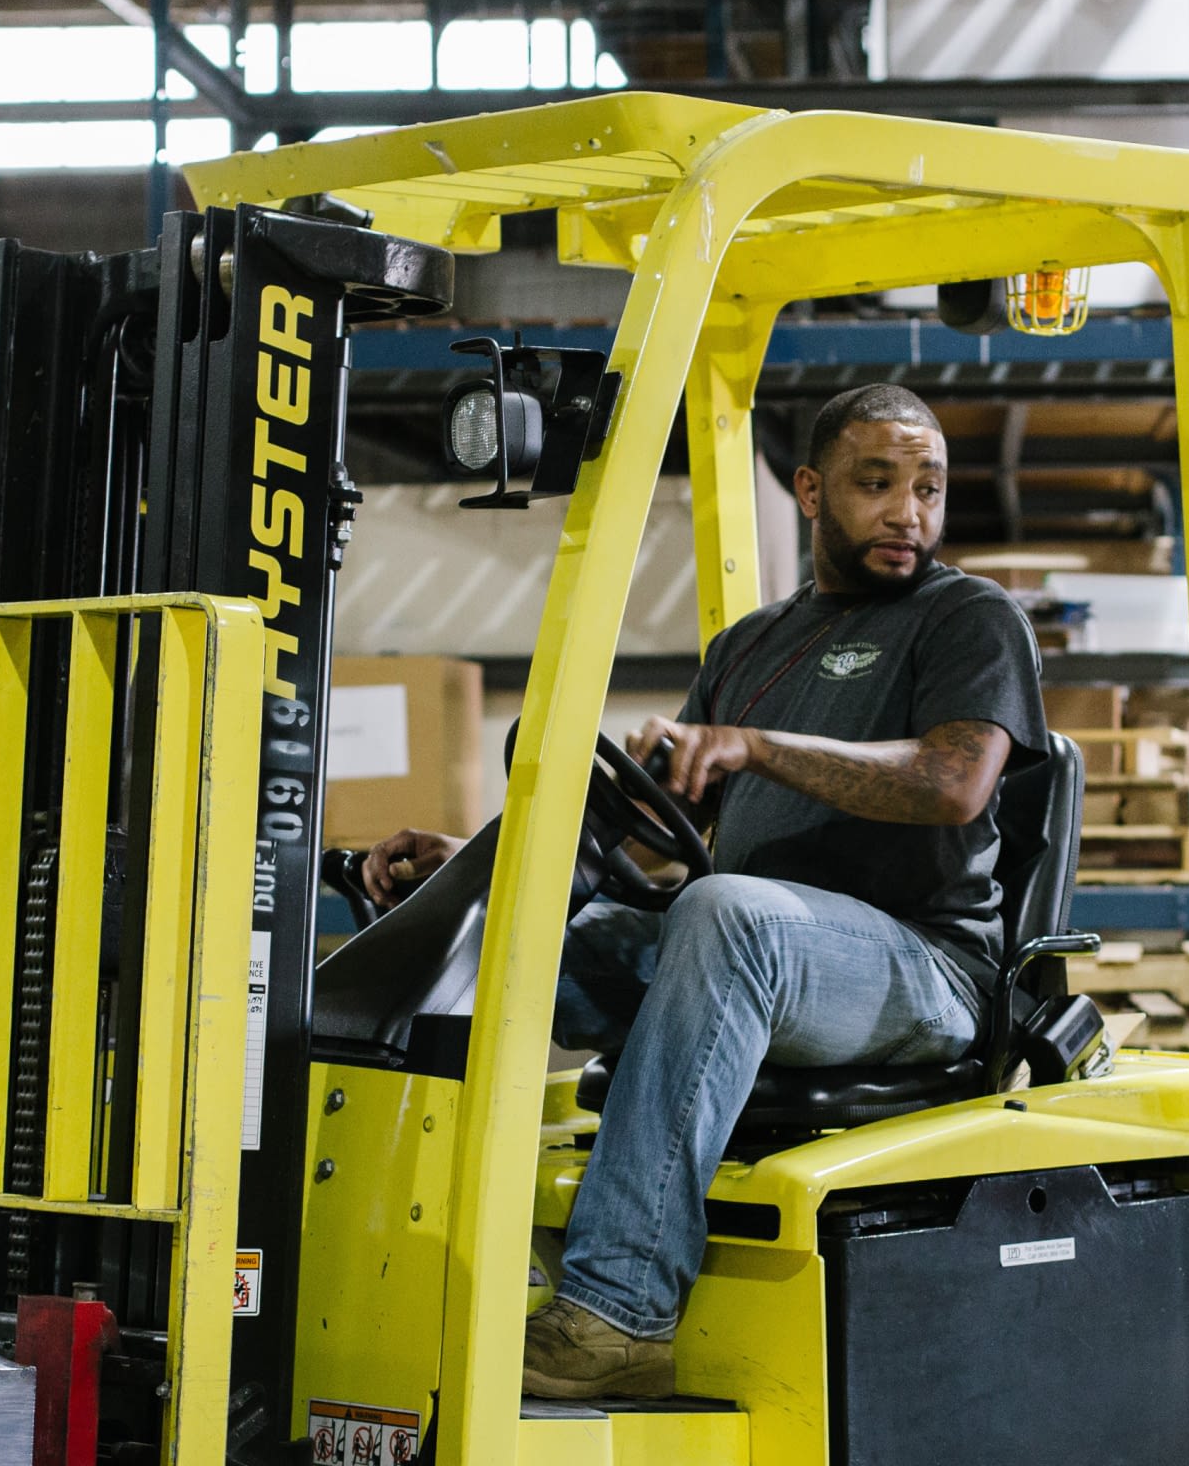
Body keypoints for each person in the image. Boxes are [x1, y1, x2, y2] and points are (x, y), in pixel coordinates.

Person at [361, 383, 1048, 1398]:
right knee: (490, 931)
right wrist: (469, 863)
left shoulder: (965, 619)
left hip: (918, 968)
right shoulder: (748, 650)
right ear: (811, 492)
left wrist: (755, 747)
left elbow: (952, 785)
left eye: (928, 487)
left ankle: (618, 1307)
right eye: (877, 483)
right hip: (746, 954)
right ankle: (397, 1262)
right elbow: (652, 832)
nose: (909, 511)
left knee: (728, 915)